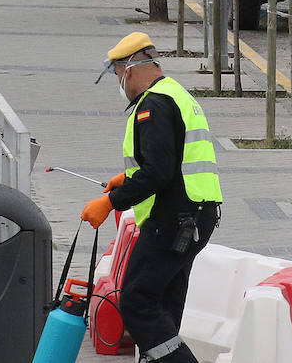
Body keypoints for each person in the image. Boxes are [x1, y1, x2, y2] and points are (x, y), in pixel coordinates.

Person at [82, 32, 222, 363]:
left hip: (173, 221)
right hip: (196, 216)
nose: (120, 83)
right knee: (164, 305)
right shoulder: (176, 94)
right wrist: (128, 179)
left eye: (117, 74)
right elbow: (170, 163)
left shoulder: (152, 105)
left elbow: (158, 173)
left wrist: (111, 201)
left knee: (137, 302)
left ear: (129, 68)